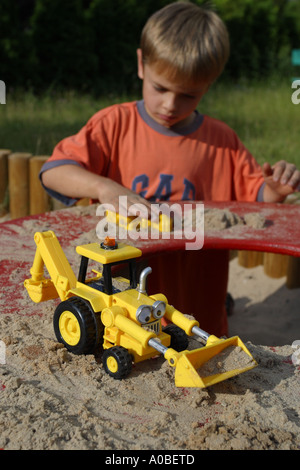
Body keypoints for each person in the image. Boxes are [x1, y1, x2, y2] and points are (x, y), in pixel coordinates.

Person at [40, 2, 300, 337]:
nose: (170, 105)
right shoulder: (114, 125)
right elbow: (54, 171)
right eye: (160, 88)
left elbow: (255, 200)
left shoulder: (221, 141)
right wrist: (105, 188)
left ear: (208, 85)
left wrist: (275, 190)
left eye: (188, 96)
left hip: (197, 301)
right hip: (124, 301)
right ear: (141, 65)